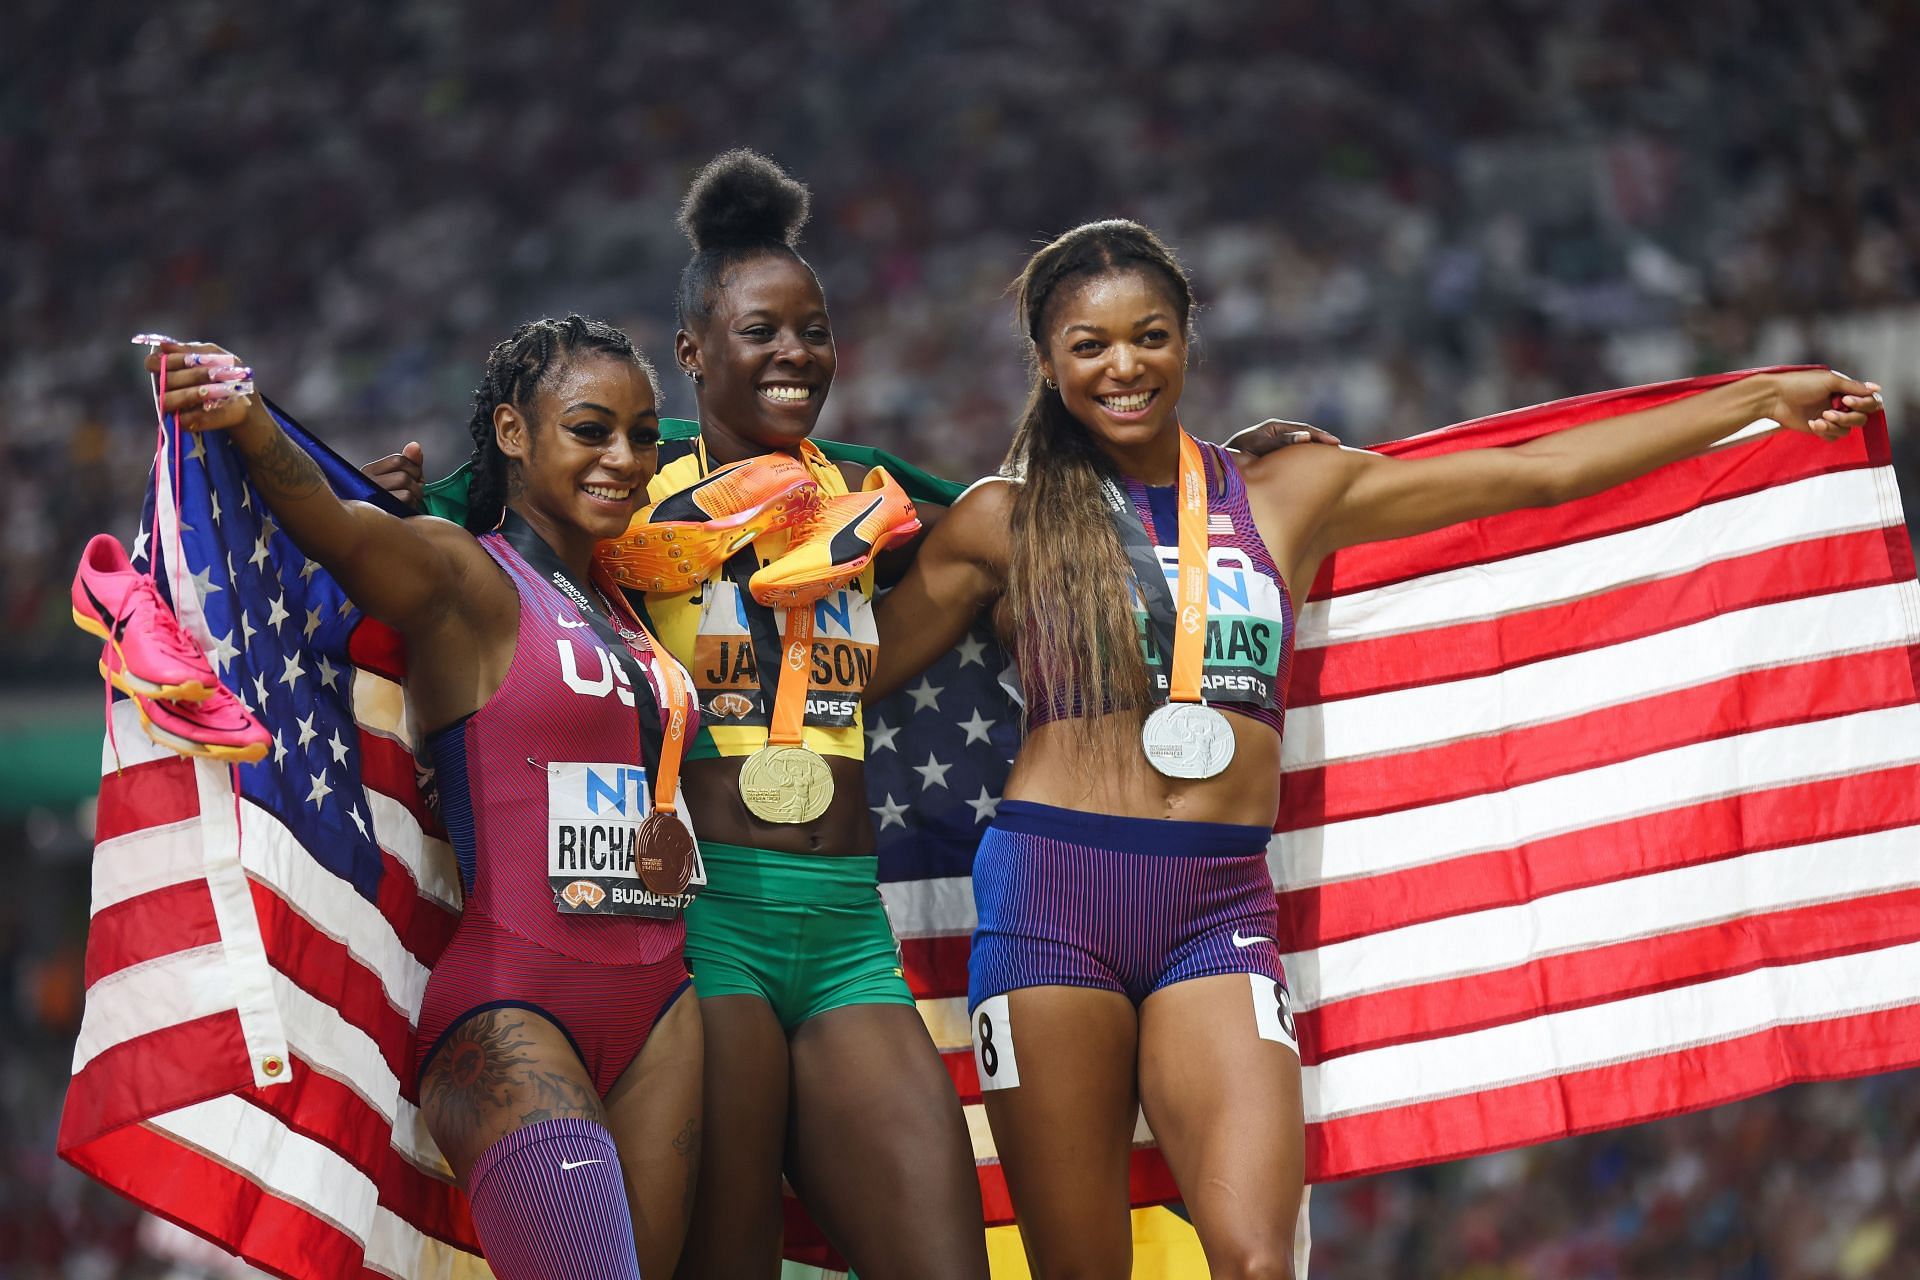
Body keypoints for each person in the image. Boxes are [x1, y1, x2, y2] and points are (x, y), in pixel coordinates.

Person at [869, 218, 1881, 1278]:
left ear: (1188, 342)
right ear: (1047, 361)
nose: (1125, 365)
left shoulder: (1287, 493)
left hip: (1213, 916)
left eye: (1150, 335)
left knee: (1258, 1260)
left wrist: (1755, 401)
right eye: (1090, 345)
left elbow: (1530, 476)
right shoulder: (1002, 521)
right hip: (1050, 903)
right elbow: (861, 672)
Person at [144, 317, 705, 1280]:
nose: (624, 457)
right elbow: (334, 527)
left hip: (664, 1012)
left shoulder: (630, 610)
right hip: (516, 1007)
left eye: (644, 435)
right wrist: (249, 419)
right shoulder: (465, 573)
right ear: (513, 432)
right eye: (591, 428)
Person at [623, 151, 986, 1278]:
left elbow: (1013, 522)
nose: (795, 353)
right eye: (761, 330)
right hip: (706, 921)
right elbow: (448, 537)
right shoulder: (625, 500)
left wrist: (1223, 473)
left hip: (846, 935)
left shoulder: (864, 496)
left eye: (814, 330)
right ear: (692, 350)